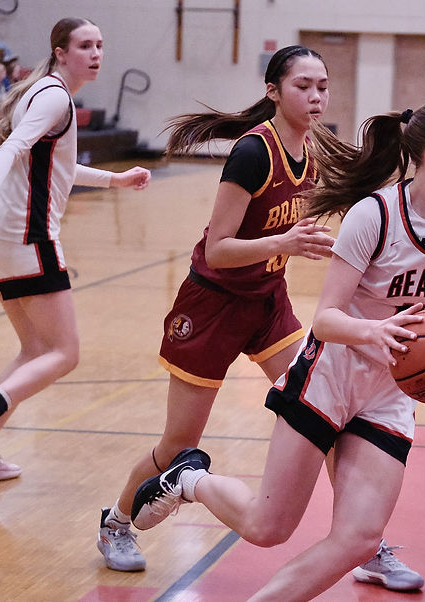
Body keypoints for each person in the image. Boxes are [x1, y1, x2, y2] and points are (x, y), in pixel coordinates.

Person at [129, 101, 425, 600]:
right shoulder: (376, 214)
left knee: (360, 538)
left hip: (388, 394)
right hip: (330, 377)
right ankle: (190, 478)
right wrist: (376, 334)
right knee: (267, 527)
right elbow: (325, 318)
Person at [95, 44, 338, 573]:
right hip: (212, 307)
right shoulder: (253, 153)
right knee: (179, 443)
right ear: (273, 91)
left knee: (322, 411)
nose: (316, 96)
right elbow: (218, 249)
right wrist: (284, 245)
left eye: (322, 85)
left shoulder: (312, 149)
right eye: (303, 86)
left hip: (268, 303)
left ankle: (361, 538)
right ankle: (115, 522)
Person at [0, 18, 151, 486]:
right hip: (26, 235)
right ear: (61, 52)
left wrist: (114, 179)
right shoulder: (55, 95)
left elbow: (55, 166)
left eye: (100, 45)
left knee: (36, 349)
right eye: (85, 45)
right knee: (65, 352)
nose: (96, 53)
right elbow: (13, 148)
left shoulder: (42, 90)